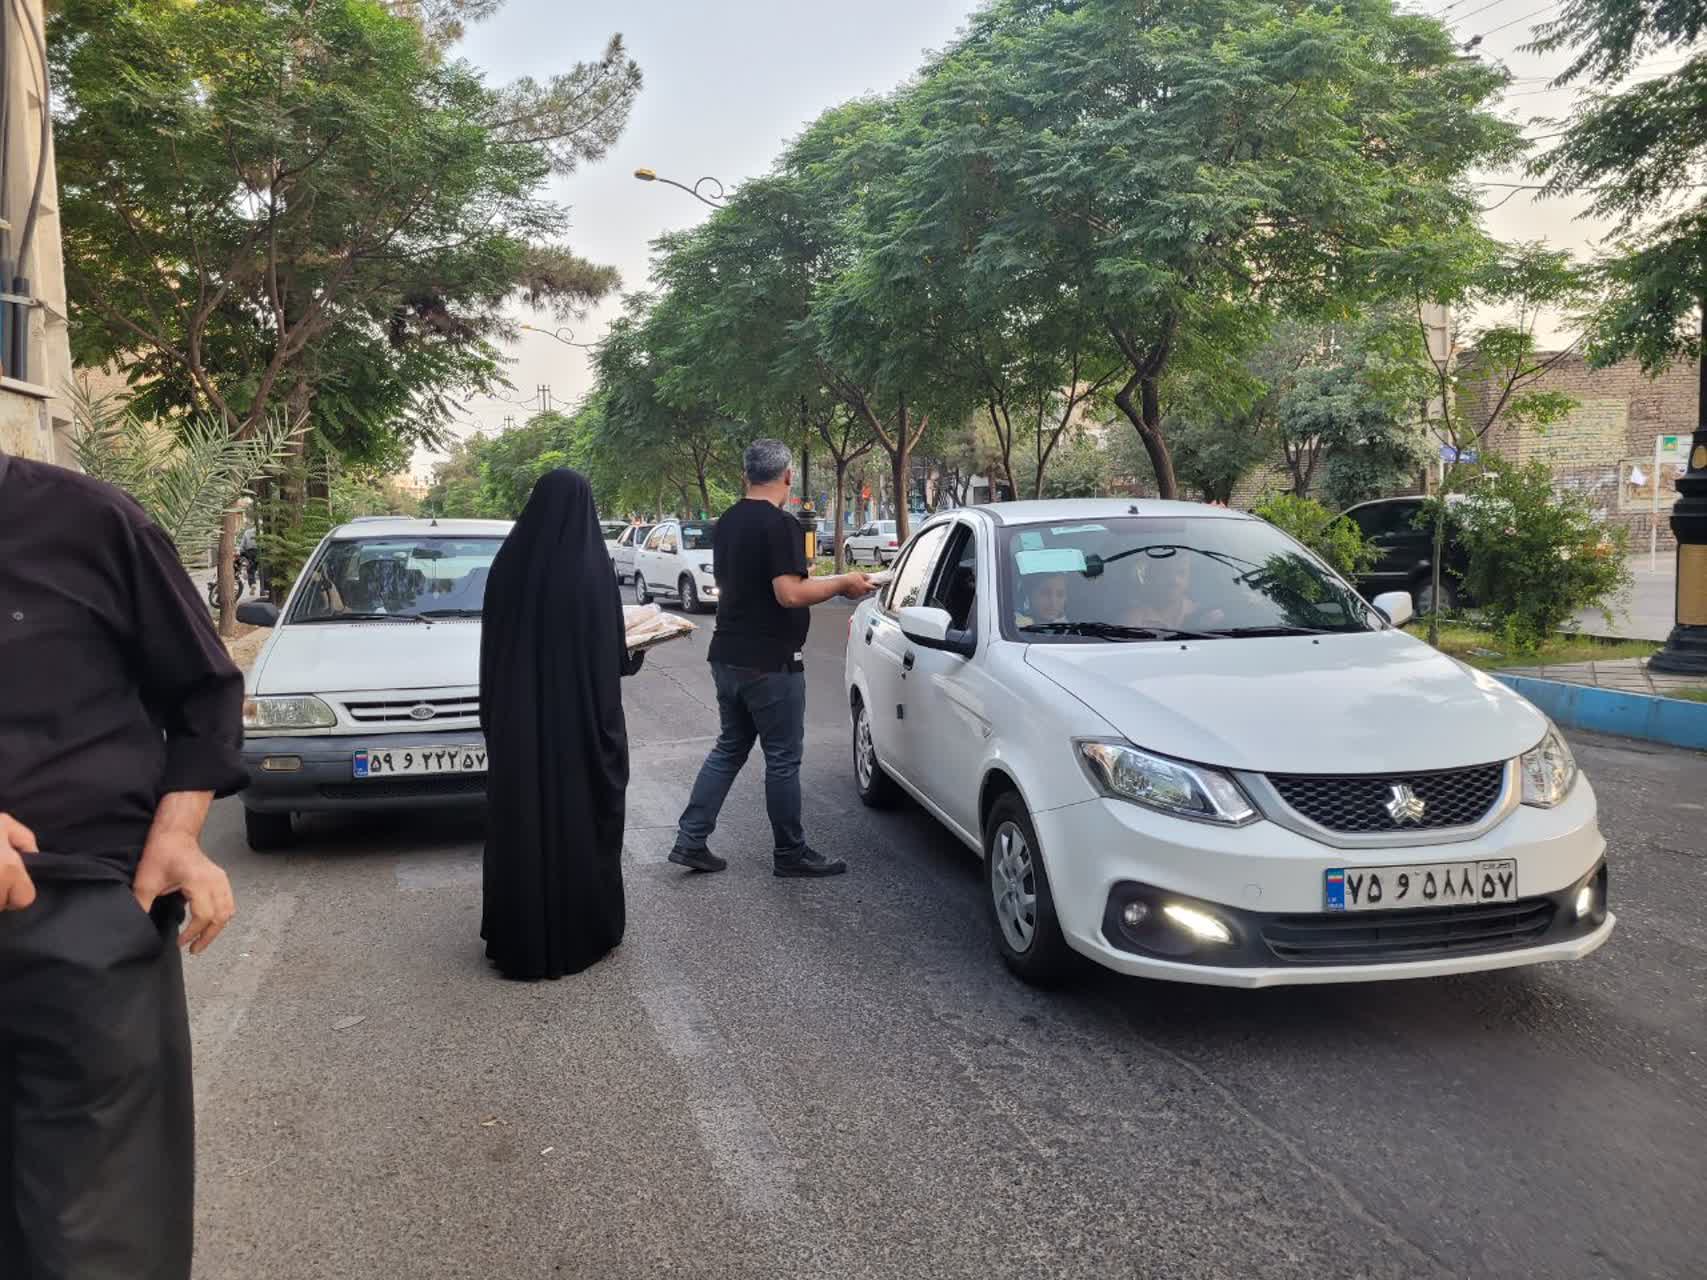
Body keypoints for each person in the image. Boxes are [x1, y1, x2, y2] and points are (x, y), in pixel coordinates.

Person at [0, 449, 245, 1279]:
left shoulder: (92, 522)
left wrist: (178, 833)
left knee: (104, 1238)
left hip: (84, 931)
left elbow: (204, 689)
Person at [670, 439, 875, 878]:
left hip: (727, 655)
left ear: (746, 475)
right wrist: (842, 583)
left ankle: (690, 840)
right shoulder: (780, 526)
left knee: (729, 748)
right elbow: (790, 594)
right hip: (771, 663)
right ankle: (790, 854)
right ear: (787, 476)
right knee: (782, 758)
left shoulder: (726, 522)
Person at [479, 468, 646, 980]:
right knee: (581, 820)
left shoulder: (507, 566)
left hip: (520, 735)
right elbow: (611, 659)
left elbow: (493, 652)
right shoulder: (590, 570)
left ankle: (519, 939)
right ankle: (584, 930)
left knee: (522, 823)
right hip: (579, 737)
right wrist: (634, 650)